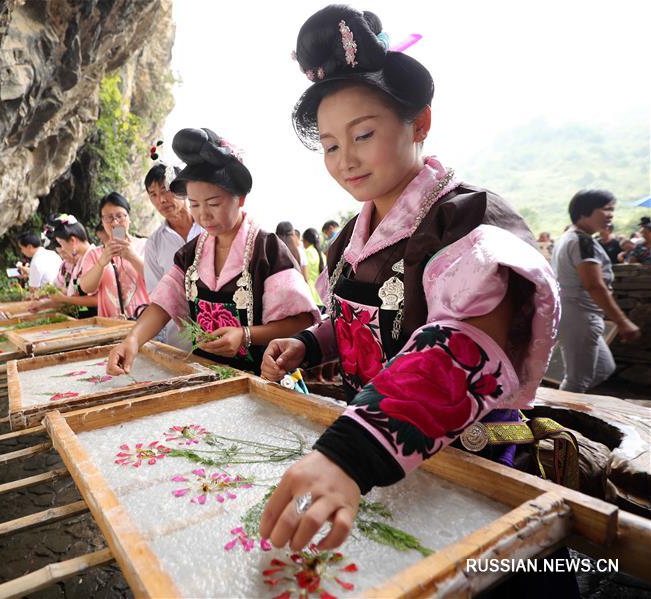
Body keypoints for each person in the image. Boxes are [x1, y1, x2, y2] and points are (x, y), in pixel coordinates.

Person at [257, 7, 565, 564]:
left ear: (420, 123)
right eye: (329, 145)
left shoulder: (469, 219)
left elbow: (463, 344)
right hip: (375, 459)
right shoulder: (350, 235)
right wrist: (309, 344)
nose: (344, 160)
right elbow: (358, 323)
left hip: (465, 459)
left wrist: (349, 454)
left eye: (363, 134)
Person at [107, 127, 319, 375]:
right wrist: (132, 340)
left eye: (214, 203)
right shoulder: (191, 254)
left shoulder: (266, 250)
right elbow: (164, 303)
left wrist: (245, 335)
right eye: (195, 204)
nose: (203, 215)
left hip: (259, 378)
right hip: (205, 374)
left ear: (239, 198)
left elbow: (302, 320)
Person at [551, 191, 641, 392]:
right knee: (577, 380)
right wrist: (622, 321)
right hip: (580, 316)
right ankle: (557, 419)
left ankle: (571, 408)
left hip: (574, 315)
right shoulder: (583, 242)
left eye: (613, 210)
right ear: (584, 212)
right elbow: (594, 285)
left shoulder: (569, 237)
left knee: (603, 368)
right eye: (606, 209)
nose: (611, 215)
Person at [143, 162, 204, 348]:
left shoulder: (209, 227)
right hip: (181, 341)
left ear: (183, 187)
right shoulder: (154, 243)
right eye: (153, 194)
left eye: (166, 190)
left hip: (224, 333)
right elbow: (157, 295)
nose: (161, 199)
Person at [79, 193, 148, 319]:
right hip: (111, 325)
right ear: (102, 221)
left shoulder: (146, 246)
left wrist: (132, 256)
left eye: (120, 216)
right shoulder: (95, 254)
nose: (115, 222)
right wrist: (102, 262)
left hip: (146, 322)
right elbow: (87, 288)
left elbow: (157, 280)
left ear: (129, 218)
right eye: (108, 218)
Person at [44, 215, 99, 319]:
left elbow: (98, 299)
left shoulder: (93, 258)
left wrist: (64, 299)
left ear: (73, 240)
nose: (63, 248)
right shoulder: (82, 260)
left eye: (61, 243)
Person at [17, 232, 62, 299]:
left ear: (29, 247)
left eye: (22, 248)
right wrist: (30, 272)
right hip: (61, 292)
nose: (21, 251)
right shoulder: (53, 254)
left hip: (48, 299)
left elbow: (33, 289)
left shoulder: (35, 262)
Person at [302, 228, 326, 305]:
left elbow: (304, 276)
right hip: (321, 296)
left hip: (309, 295)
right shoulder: (322, 255)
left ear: (305, 241)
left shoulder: (306, 253)